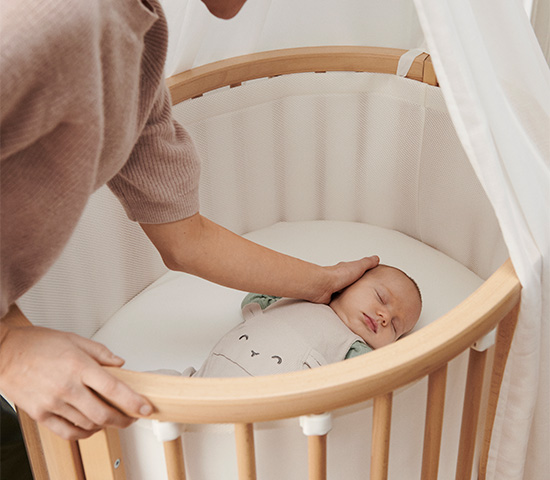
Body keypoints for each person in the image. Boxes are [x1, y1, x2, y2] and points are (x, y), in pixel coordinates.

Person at [0, 0, 379, 462]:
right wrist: (9, 349)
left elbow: (185, 239)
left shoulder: (139, 38)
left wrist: (321, 284)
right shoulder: (66, 17)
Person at [191, 264, 422, 378]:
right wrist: (303, 283)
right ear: (348, 283)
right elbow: (253, 298)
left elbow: (374, 375)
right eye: (381, 298)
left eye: (394, 326)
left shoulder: (354, 348)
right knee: (161, 387)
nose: (384, 318)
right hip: (201, 381)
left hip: (262, 402)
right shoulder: (299, 296)